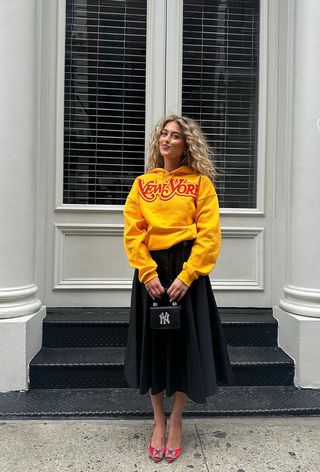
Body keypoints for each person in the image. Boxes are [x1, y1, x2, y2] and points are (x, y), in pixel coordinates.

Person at [123, 115, 233, 462]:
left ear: (187, 145)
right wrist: (146, 271)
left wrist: (188, 275)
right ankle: (158, 420)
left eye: (176, 136)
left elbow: (210, 234)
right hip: (151, 271)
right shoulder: (142, 184)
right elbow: (133, 230)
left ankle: (177, 420)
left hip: (188, 271)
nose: (167, 140)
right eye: (164, 134)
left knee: (185, 345)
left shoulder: (200, 184)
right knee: (154, 345)